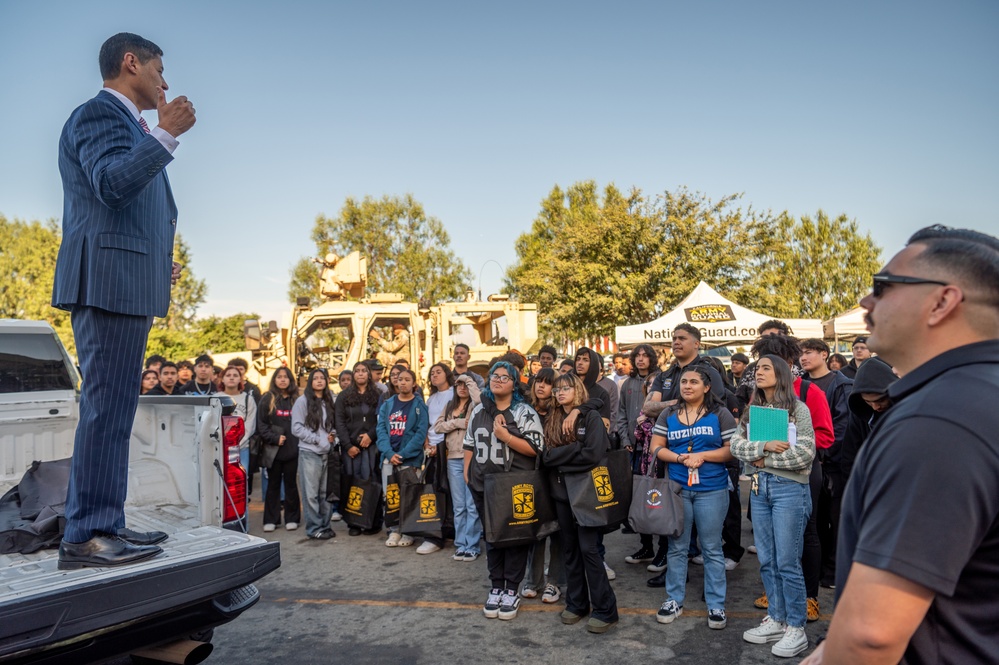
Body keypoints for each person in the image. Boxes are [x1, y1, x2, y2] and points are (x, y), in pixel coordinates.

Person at [803, 226, 999, 665]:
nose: (865, 303)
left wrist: (844, 647)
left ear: (942, 302)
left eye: (883, 287)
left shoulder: (938, 419)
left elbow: (872, 636)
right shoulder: (977, 395)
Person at [51, 32, 195, 569]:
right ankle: (85, 533)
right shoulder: (97, 115)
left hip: (125, 278)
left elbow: (123, 210)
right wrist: (166, 133)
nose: (164, 80)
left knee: (114, 410)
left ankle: (103, 523)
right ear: (130, 63)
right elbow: (112, 184)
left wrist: (158, 260)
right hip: (107, 283)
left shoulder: (125, 124)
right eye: (159, 67)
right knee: (106, 409)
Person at [730, 355, 816, 658]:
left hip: (789, 489)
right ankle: (777, 619)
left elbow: (804, 454)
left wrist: (763, 460)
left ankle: (796, 627)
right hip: (758, 487)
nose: (759, 372)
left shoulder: (798, 409)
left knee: (787, 561)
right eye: (757, 369)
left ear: (780, 374)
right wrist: (763, 446)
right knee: (766, 558)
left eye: (765, 368)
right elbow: (736, 446)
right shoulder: (753, 410)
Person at [649, 366, 736, 631]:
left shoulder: (720, 414)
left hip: (712, 488)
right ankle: (674, 599)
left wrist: (703, 457)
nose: (687, 386)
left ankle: (716, 603)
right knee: (677, 546)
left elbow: (731, 451)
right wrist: (679, 458)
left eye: (694, 382)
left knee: (711, 548)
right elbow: (656, 447)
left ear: (706, 387)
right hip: (676, 489)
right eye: (684, 382)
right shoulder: (668, 413)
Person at [463, 361, 544, 621]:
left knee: (514, 538)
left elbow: (536, 449)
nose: (498, 380)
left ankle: (512, 589)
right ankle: (496, 586)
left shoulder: (524, 411)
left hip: (514, 485)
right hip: (484, 485)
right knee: (493, 538)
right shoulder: (479, 411)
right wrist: (467, 473)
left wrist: (505, 436)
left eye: (505, 377)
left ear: (514, 383)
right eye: (494, 376)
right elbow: (469, 445)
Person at [541, 373, 620, 634]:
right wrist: (574, 449)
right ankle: (576, 604)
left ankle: (605, 609)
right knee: (570, 550)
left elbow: (594, 453)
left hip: (586, 492)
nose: (560, 392)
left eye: (566, 388)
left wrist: (563, 456)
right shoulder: (552, 417)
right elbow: (546, 456)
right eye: (557, 389)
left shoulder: (590, 416)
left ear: (577, 390)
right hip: (561, 493)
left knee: (589, 550)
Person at [798, 338, 854, 589]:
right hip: (808, 463)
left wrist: (824, 455)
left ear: (824, 354)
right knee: (815, 520)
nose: (803, 357)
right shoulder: (800, 386)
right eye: (800, 353)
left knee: (836, 520)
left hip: (832, 464)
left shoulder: (841, 384)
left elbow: (841, 427)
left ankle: (833, 571)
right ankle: (818, 569)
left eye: (809, 352)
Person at [376, 368, 429, 548]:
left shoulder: (419, 405)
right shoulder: (387, 404)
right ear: (395, 383)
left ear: (414, 383)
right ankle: (394, 530)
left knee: (409, 496)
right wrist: (389, 453)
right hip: (388, 459)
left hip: (409, 459)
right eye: (400, 379)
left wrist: (403, 454)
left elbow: (421, 433)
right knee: (390, 496)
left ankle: (409, 531)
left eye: (407, 379)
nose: (403, 382)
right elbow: (381, 430)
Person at [434, 374, 482, 562]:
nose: (462, 387)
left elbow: (479, 399)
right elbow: (437, 427)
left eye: (466, 384)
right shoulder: (449, 406)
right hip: (453, 459)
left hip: (471, 458)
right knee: (459, 505)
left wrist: (468, 379)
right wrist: (458, 423)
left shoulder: (475, 405)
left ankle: (473, 545)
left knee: (471, 505)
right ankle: (461, 544)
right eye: (459, 384)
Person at [291, 369, 337, 540]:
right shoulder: (302, 402)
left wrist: (332, 435)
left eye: (322, 378)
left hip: (328, 453)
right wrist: (317, 439)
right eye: (315, 378)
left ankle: (325, 526)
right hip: (309, 453)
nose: (319, 381)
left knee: (326, 493)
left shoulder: (330, 400)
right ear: (310, 382)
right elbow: (296, 428)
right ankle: (314, 528)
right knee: (311, 494)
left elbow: (332, 425)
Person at [257, 367, 301, 532]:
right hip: (273, 451)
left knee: (291, 485)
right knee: (272, 486)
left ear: (290, 380)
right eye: (279, 377)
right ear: (274, 380)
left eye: (286, 377)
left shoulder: (296, 400)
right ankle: (271, 519)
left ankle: (292, 518)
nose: (282, 380)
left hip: (293, 451)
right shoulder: (267, 398)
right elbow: (261, 425)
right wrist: (274, 438)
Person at [839, 356, 897, 479]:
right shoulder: (858, 414)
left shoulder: (908, 410)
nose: (875, 407)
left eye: (880, 400)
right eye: (868, 402)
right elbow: (850, 457)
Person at [418, 363, 454, 555]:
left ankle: (449, 531)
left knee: (449, 490)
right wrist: (427, 445)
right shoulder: (430, 399)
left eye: (438, 372)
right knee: (434, 489)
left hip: (448, 448)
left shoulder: (455, 393)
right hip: (431, 449)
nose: (434, 375)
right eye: (432, 373)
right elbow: (426, 424)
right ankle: (434, 534)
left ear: (447, 374)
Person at [218, 367, 257, 492]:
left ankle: (242, 512)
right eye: (228, 375)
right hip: (219, 448)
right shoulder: (215, 398)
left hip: (241, 449)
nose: (231, 377)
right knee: (220, 483)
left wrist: (237, 443)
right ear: (222, 379)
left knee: (240, 484)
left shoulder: (248, 399)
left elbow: (250, 425)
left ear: (240, 379)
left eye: (235, 375)